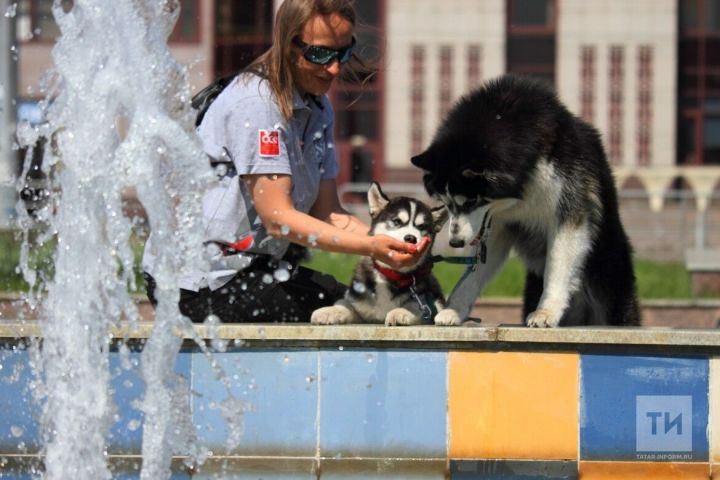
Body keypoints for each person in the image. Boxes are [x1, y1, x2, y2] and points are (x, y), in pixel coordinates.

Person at [143, 0, 429, 323]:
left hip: (249, 271)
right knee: (351, 316)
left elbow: (329, 213)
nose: (334, 68)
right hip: (193, 283)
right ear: (288, 45)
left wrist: (392, 244)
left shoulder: (319, 108)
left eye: (343, 53)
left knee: (354, 306)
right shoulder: (257, 103)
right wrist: (372, 249)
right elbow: (277, 218)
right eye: (320, 54)